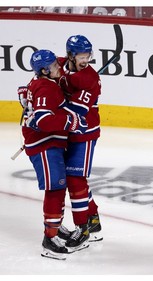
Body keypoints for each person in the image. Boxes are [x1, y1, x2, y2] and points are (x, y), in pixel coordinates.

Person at [20, 49, 87, 260]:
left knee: (58, 186)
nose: (59, 67)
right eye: (54, 67)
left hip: (48, 144)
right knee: (55, 187)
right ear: (44, 71)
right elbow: (43, 121)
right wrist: (71, 122)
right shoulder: (46, 88)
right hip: (44, 146)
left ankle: (55, 227)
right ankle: (49, 239)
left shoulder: (43, 80)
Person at [55, 35, 103, 246]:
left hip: (84, 132)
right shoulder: (62, 64)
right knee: (72, 178)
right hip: (66, 132)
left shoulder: (90, 79)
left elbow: (76, 111)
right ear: (70, 55)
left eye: (88, 56)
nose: (86, 60)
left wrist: (46, 115)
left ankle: (83, 229)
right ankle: (93, 219)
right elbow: (44, 70)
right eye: (82, 56)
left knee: (76, 179)